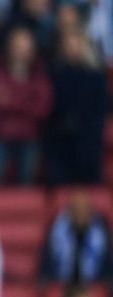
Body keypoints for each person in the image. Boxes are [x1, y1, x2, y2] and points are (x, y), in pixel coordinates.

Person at [0, 26, 54, 185]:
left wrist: (10, 101)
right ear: (9, 47)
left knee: (30, 166)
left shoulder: (39, 75)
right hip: (0, 136)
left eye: (25, 47)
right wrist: (25, 101)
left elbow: (42, 108)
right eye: (17, 47)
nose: (21, 52)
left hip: (28, 137)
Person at [45, 20, 108, 184]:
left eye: (75, 43)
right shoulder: (54, 74)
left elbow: (100, 111)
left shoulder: (96, 76)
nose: (71, 48)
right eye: (67, 44)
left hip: (87, 144)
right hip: (61, 144)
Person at [39, 189, 112, 284]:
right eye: (76, 209)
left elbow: (108, 267)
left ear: (91, 212)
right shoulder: (57, 230)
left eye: (84, 209)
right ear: (69, 211)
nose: (80, 213)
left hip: (93, 284)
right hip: (63, 284)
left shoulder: (101, 232)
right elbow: (47, 265)